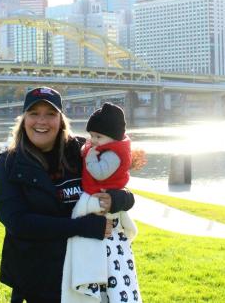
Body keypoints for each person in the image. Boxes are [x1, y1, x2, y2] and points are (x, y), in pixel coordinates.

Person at [0, 87, 135, 303]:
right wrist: (82, 226)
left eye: (50, 114)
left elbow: (119, 184)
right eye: (34, 113)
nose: (42, 121)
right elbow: (17, 222)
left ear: (61, 119)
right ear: (23, 119)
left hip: (87, 273)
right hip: (37, 278)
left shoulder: (84, 151)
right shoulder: (8, 163)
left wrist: (120, 199)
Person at [61, 103, 141, 303]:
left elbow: (99, 172)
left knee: (110, 260)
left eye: (98, 137)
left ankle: (96, 286)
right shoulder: (99, 147)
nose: (93, 141)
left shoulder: (112, 154)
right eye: (92, 136)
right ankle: (90, 283)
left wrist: (89, 157)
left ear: (113, 137)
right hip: (94, 201)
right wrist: (89, 149)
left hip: (99, 198)